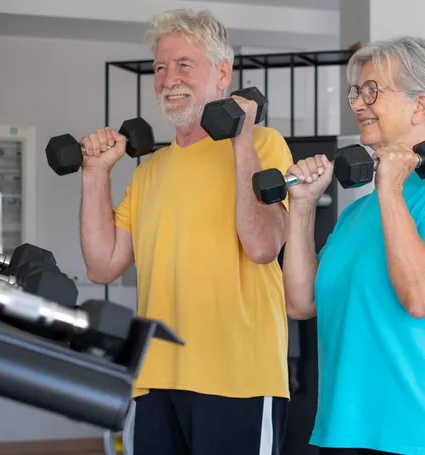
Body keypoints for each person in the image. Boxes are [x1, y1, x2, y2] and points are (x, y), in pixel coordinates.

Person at [77, 9, 292, 455]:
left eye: (183, 65)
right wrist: (95, 173)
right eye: (159, 67)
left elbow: (263, 245)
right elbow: (102, 265)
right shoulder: (150, 171)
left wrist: (241, 141)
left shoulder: (264, 145)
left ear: (223, 74)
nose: (167, 78)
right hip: (154, 378)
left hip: (238, 378)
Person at [282, 36, 425, 455]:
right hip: (343, 431)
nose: (357, 103)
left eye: (372, 91)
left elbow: (420, 296)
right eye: (356, 92)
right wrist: (301, 208)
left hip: (420, 433)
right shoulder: (357, 215)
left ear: (420, 105)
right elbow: (300, 303)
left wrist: (391, 189)